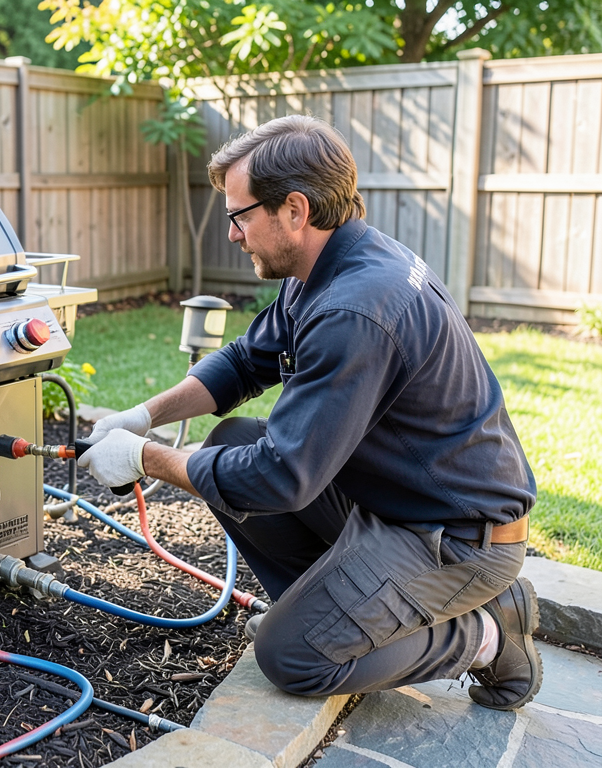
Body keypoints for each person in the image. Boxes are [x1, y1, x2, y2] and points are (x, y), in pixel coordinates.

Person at [77, 114, 541, 711]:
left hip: (457, 538)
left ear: (295, 210)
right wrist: (144, 415)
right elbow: (246, 362)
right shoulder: (331, 265)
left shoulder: (355, 310)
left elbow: (282, 475)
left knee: (292, 656)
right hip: (401, 506)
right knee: (232, 439)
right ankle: (335, 612)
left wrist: (146, 458)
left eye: (240, 216)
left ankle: (486, 635)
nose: (233, 235)